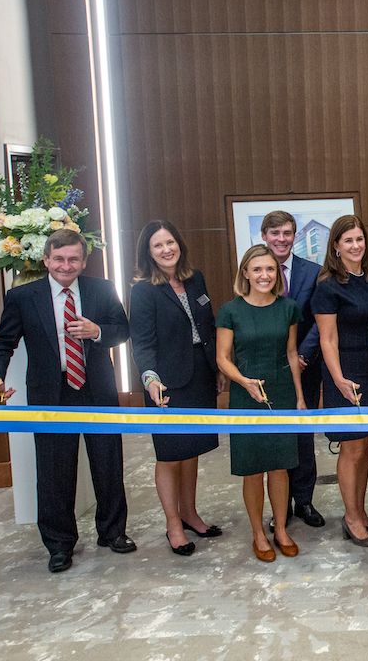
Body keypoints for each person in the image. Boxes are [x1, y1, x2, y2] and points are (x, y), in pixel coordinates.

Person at [0, 229, 134, 573]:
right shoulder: (22, 297)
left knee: (108, 463)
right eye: (59, 259)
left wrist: (97, 332)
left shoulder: (101, 289)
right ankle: (59, 545)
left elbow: (122, 330)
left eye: (73, 259)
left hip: (97, 389)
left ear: (84, 261)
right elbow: (2, 344)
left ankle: (113, 532)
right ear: (46, 260)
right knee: (54, 470)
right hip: (50, 394)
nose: (66, 266)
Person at [129, 220, 224, 557]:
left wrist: (217, 367)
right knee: (170, 453)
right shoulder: (143, 291)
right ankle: (173, 524)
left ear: (179, 244)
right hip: (166, 383)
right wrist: (150, 379)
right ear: (148, 252)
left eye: (170, 242)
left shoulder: (195, 278)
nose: (166, 249)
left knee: (192, 448)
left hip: (200, 374)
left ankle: (190, 513)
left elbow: (208, 326)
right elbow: (142, 343)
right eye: (158, 245)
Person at [216, 244, 306, 562]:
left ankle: (280, 529)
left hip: (281, 393)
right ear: (246, 273)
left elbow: (292, 354)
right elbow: (222, 358)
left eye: (270, 269)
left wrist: (299, 398)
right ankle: (258, 532)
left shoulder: (288, 308)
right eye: (257, 269)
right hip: (245, 395)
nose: (264, 275)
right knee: (252, 469)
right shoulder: (230, 311)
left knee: (280, 466)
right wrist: (244, 382)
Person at [313, 215, 368, 548]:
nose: (356, 245)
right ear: (336, 246)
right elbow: (326, 339)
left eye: (359, 239)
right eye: (348, 241)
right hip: (345, 373)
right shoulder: (328, 287)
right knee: (352, 447)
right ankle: (351, 517)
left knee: (365, 445)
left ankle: (360, 510)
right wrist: (338, 379)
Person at [261, 210, 325, 529]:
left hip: (305, 366)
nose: (281, 239)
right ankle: (279, 506)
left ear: (295, 236)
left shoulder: (313, 272)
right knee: (276, 437)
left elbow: (319, 320)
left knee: (302, 435)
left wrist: (302, 356)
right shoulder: (255, 272)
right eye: (275, 233)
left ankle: (304, 501)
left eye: (287, 233)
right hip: (267, 370)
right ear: (264, 236)